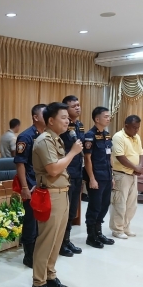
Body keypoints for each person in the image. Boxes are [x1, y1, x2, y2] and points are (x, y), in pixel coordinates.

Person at [31, 102, 83, 287]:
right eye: (63, 117)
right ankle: (39, 282)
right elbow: (53, 169)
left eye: (68, 118)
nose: (67, 121)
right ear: (51, 121)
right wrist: (73, 153)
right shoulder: (44, 140)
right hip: (50, 195)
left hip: (62, 193)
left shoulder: (57, 139)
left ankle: (50, 276)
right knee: (46, 240)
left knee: (57, 239)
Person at [14, 104, 47, 268]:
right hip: (31, 184)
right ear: (36, 117)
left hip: (44, 184)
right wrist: (25, 187)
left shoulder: (48, 135)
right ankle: (29, 256)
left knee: (42, 221)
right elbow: (20, 164)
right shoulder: (26, 137)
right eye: (45, 114)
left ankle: (39, 252)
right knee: (31, 221)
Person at [84, 107, 115, 248]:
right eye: (106, 116)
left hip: (106, 176)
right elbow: (87, 159)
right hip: (96, 177)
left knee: (104, 205)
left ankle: (98, 232)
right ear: (97, 119)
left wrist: (111, 176)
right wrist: (91, 178)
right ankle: (91, 236)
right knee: (95, 206)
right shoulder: (89, 136)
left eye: (109, 116)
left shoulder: (107, 135)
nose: (109, 118)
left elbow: (109, 158)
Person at [109, 115, 143, 239]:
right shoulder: (118, 137)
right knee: (119, 203)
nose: (136, 130)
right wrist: (136, 168)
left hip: (133, 175)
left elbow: (141, 154)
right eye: (134, 127)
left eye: (138, 127)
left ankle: (125, 227)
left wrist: (140, 167)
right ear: (126, 126)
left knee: (131, 204)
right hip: (121, 175)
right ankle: (117, 229)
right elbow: (120, 157)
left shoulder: (137, 137)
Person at [59, 95, 85, 257]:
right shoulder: (62, 127)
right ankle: (60, 243)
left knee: (72, 211)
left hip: (78, 172)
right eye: (73, 106)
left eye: (78, 105)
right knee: (64, 210)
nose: (77, 107)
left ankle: (67, 240)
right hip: (66, 173)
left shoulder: (79, 125)